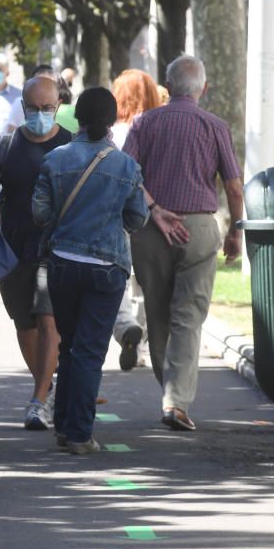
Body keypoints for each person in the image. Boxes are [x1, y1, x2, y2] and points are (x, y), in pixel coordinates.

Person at [123, 55, 244, 431]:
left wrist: (155, 207)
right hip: (199, 228)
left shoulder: (145, 123)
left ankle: (171, 395)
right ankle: (176, 401)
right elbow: (234, 186)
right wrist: (235, 231)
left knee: (158, 314)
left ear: (169, 86)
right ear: (202, 88)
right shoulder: (215, 126)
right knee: (188, 318)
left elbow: (127, 175)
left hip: (151, 229)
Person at [32, 87, 149, 454]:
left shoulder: (55, 159)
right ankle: (80, 433)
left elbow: (39, 212)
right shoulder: (126, 166)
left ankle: (65, 426)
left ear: (77, 119)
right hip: (106, 268)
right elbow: (137, 216)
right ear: (112, 121)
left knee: (69, 347)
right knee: (89, 352)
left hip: (62, 264)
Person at [0, 76, 71, 431]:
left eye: (47, 109)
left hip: (56, 250)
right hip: (13, 250)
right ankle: (48, 389)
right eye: (33, 108)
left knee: (48, 319)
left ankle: (37, 399)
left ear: (58, 108)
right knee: (25, 323)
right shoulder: (6, 147)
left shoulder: (70, 145)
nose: (39, 115)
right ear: (23, 108)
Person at [109, 69, 164, 370]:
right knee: (144, 282)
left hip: (116, 215)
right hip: (151, 211)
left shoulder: (114, 131)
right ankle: (140, 344)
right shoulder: (157, 129)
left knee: (120, 275)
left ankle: (125, 325)